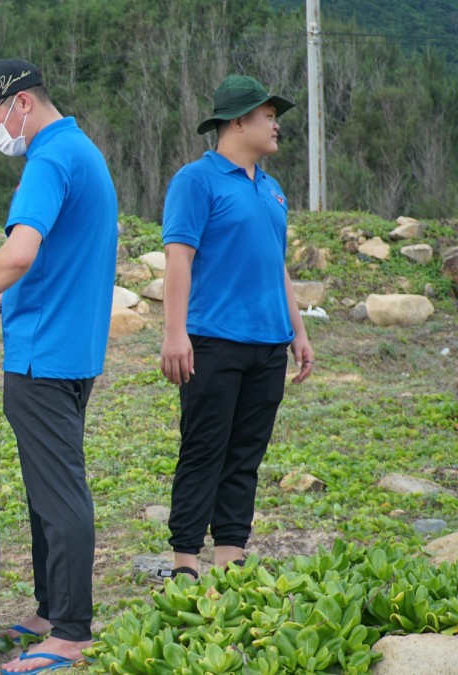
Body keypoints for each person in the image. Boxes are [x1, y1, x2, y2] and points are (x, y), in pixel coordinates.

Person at [0, 59, 118, 672]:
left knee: (60, 494)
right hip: (71, 347)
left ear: (21, 102)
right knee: (48, 488)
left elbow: (21, 252)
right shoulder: (80, 150)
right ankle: (48, 611)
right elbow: (60, 259)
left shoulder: (48, 159)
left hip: (44, 356)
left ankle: (69, 632)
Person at [159, 75, 314, 579]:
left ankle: (230, 555)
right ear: (238, 122)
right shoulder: (195, 181)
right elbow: (178, 259)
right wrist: (175, 333)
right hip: (213, 341)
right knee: (204, 449)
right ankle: (185, 560)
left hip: (268, 345)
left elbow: (276, 265)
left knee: (246, 453)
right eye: (268, 116)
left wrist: (298, 331)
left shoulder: (272, 190)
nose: (276, 125)